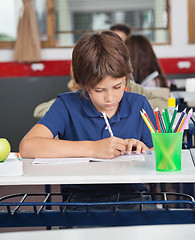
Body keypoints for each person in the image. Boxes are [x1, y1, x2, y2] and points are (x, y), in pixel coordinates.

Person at [20, 30, 157, 207]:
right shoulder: (67, 105)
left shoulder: (139, 104)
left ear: (126, 78)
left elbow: (157, 153)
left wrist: (144, 149)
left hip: (132, 196)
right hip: (80, 200)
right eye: (99, 90)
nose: (110, 98)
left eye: (117, 86)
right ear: (83, 83)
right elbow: (28, 146)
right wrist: (93, 148)